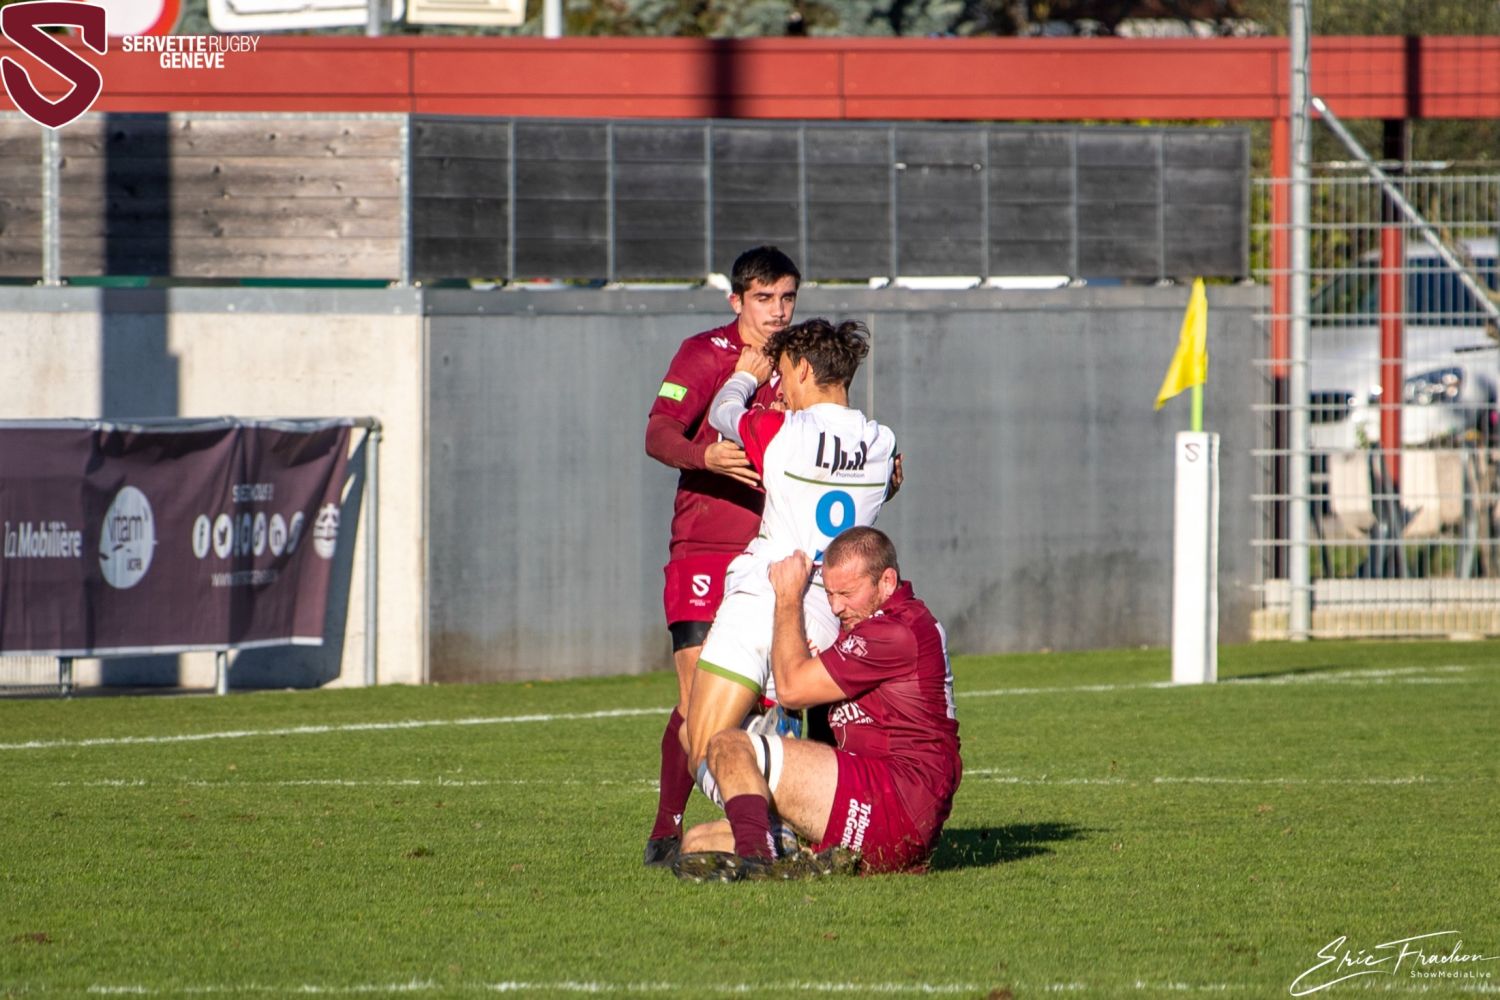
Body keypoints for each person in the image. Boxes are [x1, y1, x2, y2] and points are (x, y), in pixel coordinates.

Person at [681, 318, 899, 811]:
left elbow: (722, 412)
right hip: (824, 618)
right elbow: (885, 485)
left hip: (763, 598)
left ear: (802, 369)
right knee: (783, 746)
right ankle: (781, 781)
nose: (780, 388)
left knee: (702, 745)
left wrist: (746, 376)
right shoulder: (882, 445)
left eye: (782, 374)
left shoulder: (780, 430)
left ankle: (768, 823)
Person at [673, 527, 962, 881]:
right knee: (696, 840)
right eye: (830, 593)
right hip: (872, 802)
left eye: (847, 593)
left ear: (887, 581)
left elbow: (792, 688)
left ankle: (759, 860)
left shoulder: (896, 631)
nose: (837, 606)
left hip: (894, 800)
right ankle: (783, 845)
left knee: (727, 744)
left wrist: (788, 595)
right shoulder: (874, 623)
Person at [642, 246, 801, 866]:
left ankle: (774, 823)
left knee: (781, 693)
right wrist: (703, 456)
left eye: (787, 297)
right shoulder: (704, 354)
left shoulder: (800, 360)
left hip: (775, 552)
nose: (777, 311)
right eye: (764, 298)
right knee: (698, 702)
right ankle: (667, 829)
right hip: (706, 550)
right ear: (736, 301)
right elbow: (658, 433)